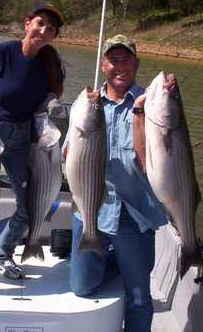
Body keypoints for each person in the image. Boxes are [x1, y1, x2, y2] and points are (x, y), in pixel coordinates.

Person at [63, 34, 168, 332]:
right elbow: (70, 153)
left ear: (136, 63)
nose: (120, 66)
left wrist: (138, 113)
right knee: (82, 287)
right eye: (113, 60)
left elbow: (149, 164)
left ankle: (130, 267)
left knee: (138, 298)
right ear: (103, 64)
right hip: (90, 210)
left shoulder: (151, 104)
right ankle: (123, 264)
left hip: (133, 215)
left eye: (126, 60)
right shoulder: (87, 103)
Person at [0, 4, 66, 287]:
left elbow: (56, 87)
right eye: (40, 23)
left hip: (25, 137)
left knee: (29, 204)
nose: (44, 31)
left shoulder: (49, 60)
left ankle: (3, 252)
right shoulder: (2, 52)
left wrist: (52, 100)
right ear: (27, 23)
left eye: (51, 29)